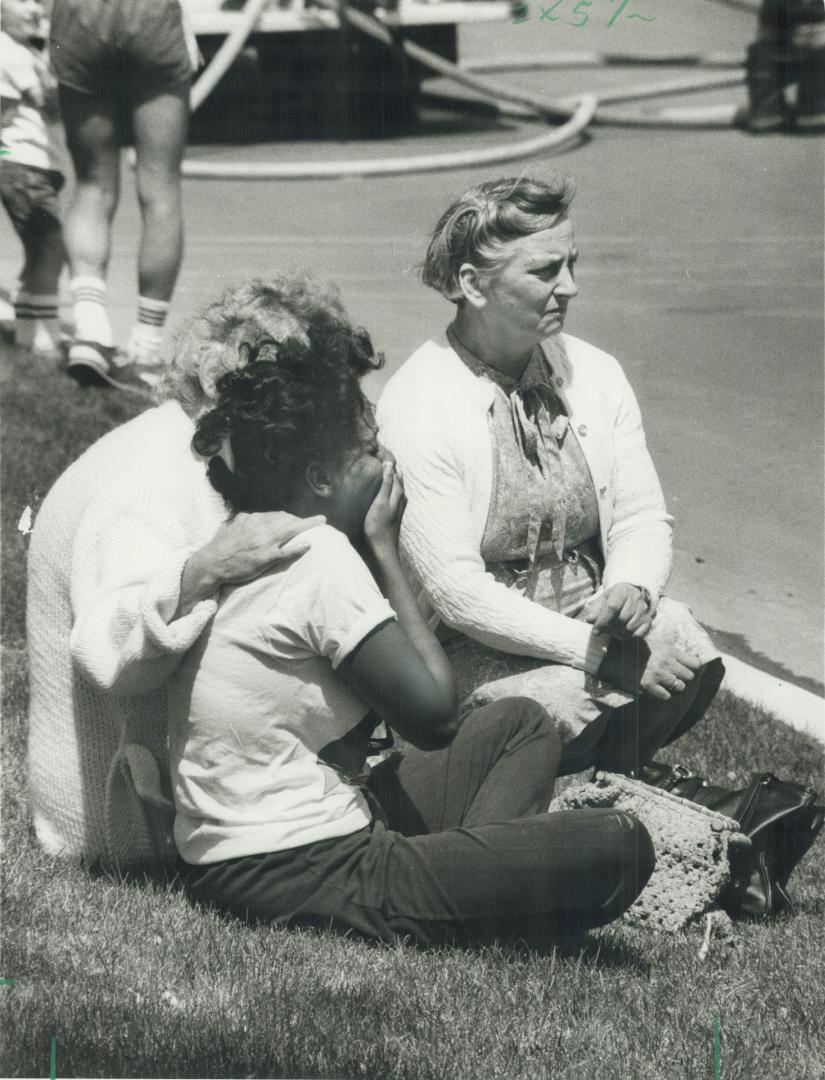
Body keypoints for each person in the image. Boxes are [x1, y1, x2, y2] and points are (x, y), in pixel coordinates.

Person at [169, 320, 656, 950]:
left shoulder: (261, 536)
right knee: (621, 842)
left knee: (520, 725)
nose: (389, 460)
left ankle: (469, 896)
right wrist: (382, 545)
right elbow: (435, 717)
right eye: (371, 450)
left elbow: (416, 721)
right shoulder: (319, 557)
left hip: (254, 852)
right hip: (298, 865)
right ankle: (469, 901)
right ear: (322, 480)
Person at [376, 175, 725, 779]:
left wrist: (634, 589)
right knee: (556, 703)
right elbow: (457, 595)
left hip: (589, 629)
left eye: (571, 264)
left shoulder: (595, 372)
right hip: (472, 652)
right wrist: (598, 657)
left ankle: (605, 787)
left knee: (682, 640)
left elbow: (642, 515)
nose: (570, 287)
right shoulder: (418, 402)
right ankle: (524, 802)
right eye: (544, 272)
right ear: (472, 285)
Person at [26, 273, 345, 867]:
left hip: (148, 798)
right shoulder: (150, 481)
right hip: (123, 821)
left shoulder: (191, 447)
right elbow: (105, 647)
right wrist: (201, 569)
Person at [48, 0, 199, 389]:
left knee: (91, 184)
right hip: (150, 15)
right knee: (160, 190)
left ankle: (90, 329)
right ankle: (145, 350)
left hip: (81, 14)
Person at [0, 0, 66, 356]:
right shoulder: (12, 55)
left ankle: (28, 337)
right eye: (23, 1)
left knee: (39, 251)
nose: (36, 9)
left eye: (39, 1)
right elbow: (49, 105)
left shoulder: (19, 51)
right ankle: (47, 340)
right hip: (26, 167)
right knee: (51, 248)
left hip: (27, 165)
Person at [736, 0, 825, 134]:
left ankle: (766, 107)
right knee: (816, 48)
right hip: (814, 42)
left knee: (764, 54)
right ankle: (815, 105)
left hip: (774, 44)